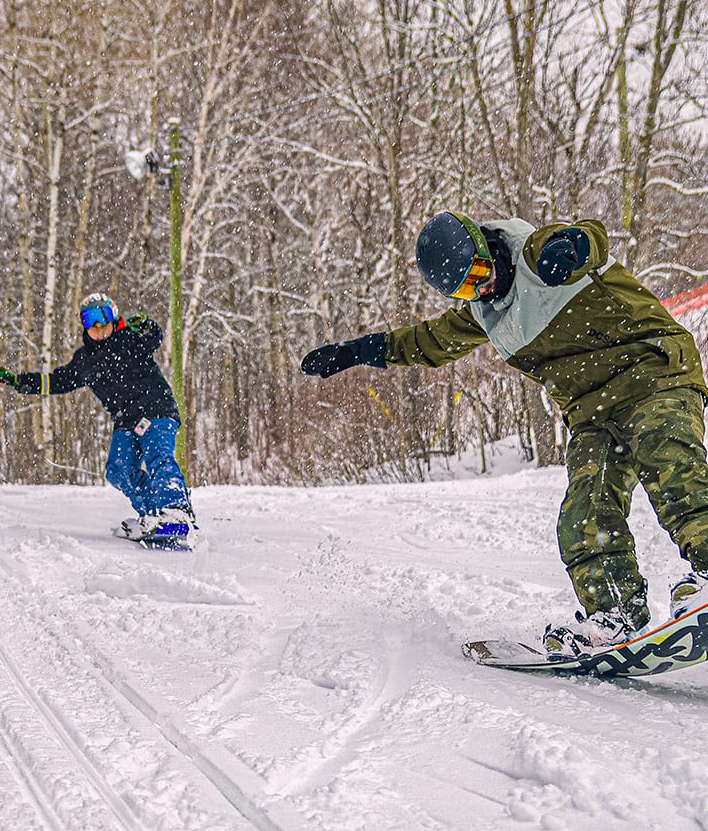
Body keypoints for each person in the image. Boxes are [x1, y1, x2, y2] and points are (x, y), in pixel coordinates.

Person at [300, 212, 708, 655]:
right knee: (584, 515)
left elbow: (593, 234)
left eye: (478, 273)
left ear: (487, 248)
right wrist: (360, 351)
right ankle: (616, 616)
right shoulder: (483, 313)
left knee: (668, 461)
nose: (479, 288)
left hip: (653, 373)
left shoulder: (536, 254)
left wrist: (571, 247)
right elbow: (428, 342)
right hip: (593, 412)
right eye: (463, 288)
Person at [0, 292, 195, 544]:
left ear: (114, 316)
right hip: (125, 420)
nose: (98, 327)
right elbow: (57, 381)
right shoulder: (85, 360)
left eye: (103, 318)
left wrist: (146, 325)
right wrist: (19, 382)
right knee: (118, 470)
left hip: (155, 409)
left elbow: (153, 338)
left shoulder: (128, 338)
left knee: (158, 456)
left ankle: (177, 511)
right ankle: (155, 516)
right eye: (90, 320)